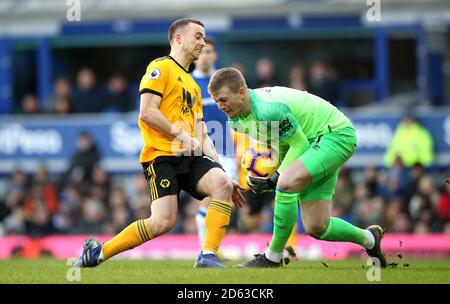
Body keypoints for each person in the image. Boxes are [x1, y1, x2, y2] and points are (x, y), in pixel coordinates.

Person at [75, 18, 244, 269]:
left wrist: (222, 172)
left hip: (190, 154)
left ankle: (207, 256)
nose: (202, 43)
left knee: (221, 184)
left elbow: (202, 135)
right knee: (162, 222)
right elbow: (147, 112)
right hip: (162, 156)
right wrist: (181, 135)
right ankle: (98, 252)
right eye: (197, 37)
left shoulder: (194, 87)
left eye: (204, 38)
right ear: (178, 39)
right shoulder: (161, 67)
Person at [207, 67, 387, 268]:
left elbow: (298, 144)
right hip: (314, 143)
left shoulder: (267, 110)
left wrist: (276, 176)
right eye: (216, 101)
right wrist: (265, 177)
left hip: (335, 135)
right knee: (317, 227)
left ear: (242, 92)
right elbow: (283, 142)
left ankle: (273, 256)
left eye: (223, 99)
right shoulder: (236, 121)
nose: (220, 106)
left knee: (285, 183)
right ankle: (370, 239)